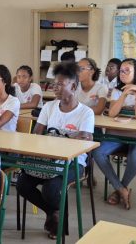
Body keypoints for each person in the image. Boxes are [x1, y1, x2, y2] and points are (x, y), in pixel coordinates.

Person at [15, 62, 94, 240]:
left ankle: (58, 221)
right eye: (54, 84)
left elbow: (84, 141)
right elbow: (37, 134)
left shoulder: (86, 113)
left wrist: (60, 141)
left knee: (51, 188)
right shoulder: (49, 107)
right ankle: (53, 212)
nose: (54, 88)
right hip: (49, 160)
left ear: (73, 86)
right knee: (22, 184)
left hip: (74, 162)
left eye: (60, 84)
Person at [94, 58, 136, 210]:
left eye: (127, 71)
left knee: (135, 157)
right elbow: (112, 113)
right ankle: (121, 189)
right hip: (117, 135)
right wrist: (124, 93)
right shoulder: (116, 90)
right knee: (98, 152)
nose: (123, 73)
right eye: (121, 71)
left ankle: (120, 188)